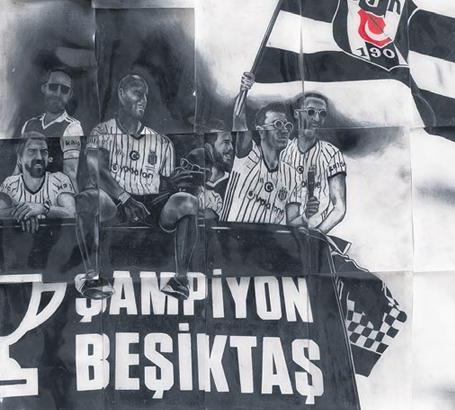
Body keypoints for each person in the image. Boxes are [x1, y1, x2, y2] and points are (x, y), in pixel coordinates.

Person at [74, 74, 198, 300]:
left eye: (146, 96)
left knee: (188, 202)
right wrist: (125, 198)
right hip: (115, 202)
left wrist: (174, 183)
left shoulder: (162, 142)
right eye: (137, 93)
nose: (143, 100)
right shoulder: (102, 131)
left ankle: (180, 280)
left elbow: (165, 186)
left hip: (150, 205)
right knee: (86, 199)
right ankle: (92, 277)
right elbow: (95, 169)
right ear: (121, 94)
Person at [218, 72, 304, 225]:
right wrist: (244, 90)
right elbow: (238, 119)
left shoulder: (293, 176)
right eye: (277, 124)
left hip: (268, 240)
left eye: (287, 126)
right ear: (261, 131)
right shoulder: (247, 155)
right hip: (232, 236)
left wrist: (307, 217)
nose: (284, 130)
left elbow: (292, 223)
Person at [281, 90, 347, 233]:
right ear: (296, 114)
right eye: (310, 112)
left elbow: (339, 207)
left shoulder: (331, 153)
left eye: (322, 113)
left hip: (317, 234)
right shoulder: (282, 152)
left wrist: (318, 234)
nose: (317, 118)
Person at [0, 131, 76, 233]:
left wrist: (43, 209)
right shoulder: (10, 183)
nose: (39, 157)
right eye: (32, 151)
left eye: (43, 152)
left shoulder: (60, 179)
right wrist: (25, 214)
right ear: (20, 159)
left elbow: (72, 213)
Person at [16, 68, 83, 188]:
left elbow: (70, 173)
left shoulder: (73, 128)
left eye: (64, 90)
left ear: (70, 94)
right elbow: (18, 168)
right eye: (53, 87)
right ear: (44, 88)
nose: (58, 94)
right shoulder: (28, 125)